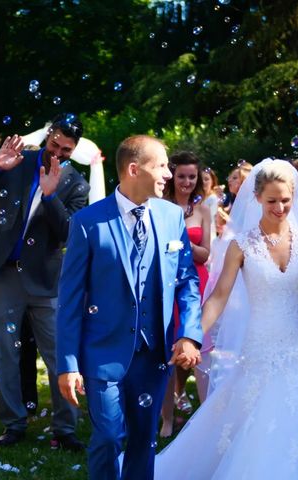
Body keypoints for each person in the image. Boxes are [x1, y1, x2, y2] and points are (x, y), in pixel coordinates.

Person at [154, 159, 298, 479]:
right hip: (260, 343)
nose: (279, 207)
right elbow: (218, 296)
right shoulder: (241, 244)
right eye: (272, 200)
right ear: (257, 198)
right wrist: (193, 335)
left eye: (286, 200)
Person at [56, 135, 203, 480]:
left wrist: (190, 335)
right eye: (162, 165)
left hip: (153, 354)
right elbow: (71, 299)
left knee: (143, 440)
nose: (168, 173)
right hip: (102, 351)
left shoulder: (171, 217)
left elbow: (187, 283)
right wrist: (67, 364)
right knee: (108, 436)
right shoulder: (88, 222)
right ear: (134, 169)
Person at [0, 113, 90, 448]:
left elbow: (69, 233)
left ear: (74, 151)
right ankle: (13, 424)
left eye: (66, 150)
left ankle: (65, 429)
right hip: (3, 271)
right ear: (47, 137)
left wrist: (50, 197)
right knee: (4, 351)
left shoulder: (76, 185)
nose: (58, 153)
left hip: (46, 280)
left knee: (59, 354)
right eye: (54, 145)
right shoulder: (16, 162)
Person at [160, 151, 211, 437]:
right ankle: (167, 419)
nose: (187, 181)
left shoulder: (203, 209)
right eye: (182, 176)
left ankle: (204, 419)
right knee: (167, 352)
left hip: (196, 283)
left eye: (192, 176)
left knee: (198, 350)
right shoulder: (160, 205)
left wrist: (180, 245)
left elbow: (207, 252)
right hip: (167, 283)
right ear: (172, 176)